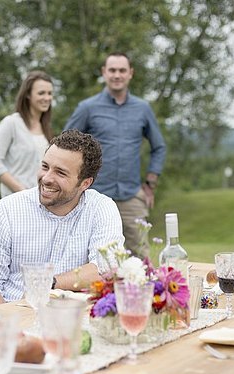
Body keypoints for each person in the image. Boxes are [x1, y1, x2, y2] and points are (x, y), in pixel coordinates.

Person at [0, 129, 124, 307]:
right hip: (12, 316)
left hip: (74, 320)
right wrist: (11, 325)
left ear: (85, 183)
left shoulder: (101, 208)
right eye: (45, 167)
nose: (46, 178)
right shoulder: (6, 210)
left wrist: (46, 284)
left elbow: (107, 269)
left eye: (60, 173)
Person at [64, 52, 166, 257]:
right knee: (92, 255)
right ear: (104, 73)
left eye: (122, 70)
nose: (117, 75)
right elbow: (66, 144)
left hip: (131, 196)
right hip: (94, 193)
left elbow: (159, 147)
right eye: (112, 70)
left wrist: (150, 183)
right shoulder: (87, 108)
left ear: (130, 74)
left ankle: (139, 291)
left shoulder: (143, 108)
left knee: (140, 258)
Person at [0, 71, 54, 198]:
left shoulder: (46, 129)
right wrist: (22, 191)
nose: (47, 98)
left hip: (41, 202)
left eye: (50, 93)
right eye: (41, 93)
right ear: (28, 94)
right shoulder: (11, 123)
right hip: (16, 200)